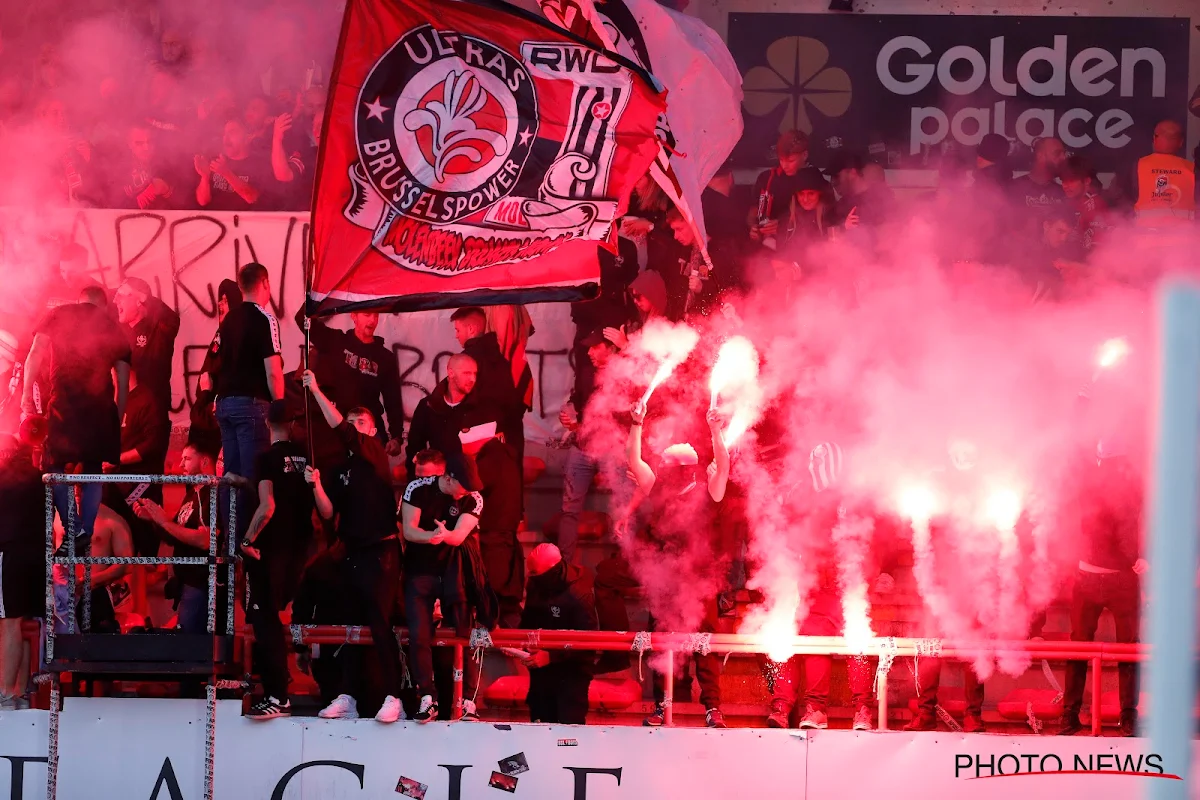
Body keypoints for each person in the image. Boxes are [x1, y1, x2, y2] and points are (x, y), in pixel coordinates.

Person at [302, 370, 405, 723]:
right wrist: (316, 485)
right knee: (349, 624)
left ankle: (394, 695)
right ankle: (346, 695)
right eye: (351, 422)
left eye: (360, 422)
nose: (354, 426)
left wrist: (315, 387)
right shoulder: (338, 466)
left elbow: (340, 429)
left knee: (379, 622)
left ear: (373, 429)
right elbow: (329, 511)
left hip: (381, 551)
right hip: (352, 551)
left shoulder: (374, 452)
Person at [628, 404, 730, 728]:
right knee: (663, 644)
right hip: (666, 580)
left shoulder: (706, 490)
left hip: (700, 581)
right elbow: (634, 460)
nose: (662, 467)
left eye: (667, 464)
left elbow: (724, 465)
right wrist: (636, 423)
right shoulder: (659, 489)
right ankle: (662, 706)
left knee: (704, 647)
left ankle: (713, 707)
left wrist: (715, 431)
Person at [22, 285, 131, 550]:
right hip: (100, 409)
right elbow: (123, 383)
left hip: (64, 406)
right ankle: (85, 530)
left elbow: (35, 352)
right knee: (92, 470)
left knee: (55, 467)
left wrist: (27, 391)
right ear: (103, 305)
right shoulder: (114, 327)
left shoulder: (60, 314)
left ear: (79, 299)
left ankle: (73, 528)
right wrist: (115, 420)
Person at [1058, 445, 1144, 737]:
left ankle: (1125, 715)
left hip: (1119, 576)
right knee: (1082, 647)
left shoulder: (1131, 479)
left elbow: (1141, 519)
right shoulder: (1088, 475)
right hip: (1090, 575)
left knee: (1128, 649)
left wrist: (1144, 555)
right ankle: (1070, 714)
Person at [240, 401, 316, 719]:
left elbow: (267, 506)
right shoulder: (308, 458)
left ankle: (277, 695)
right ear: (294, 424)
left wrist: (247, 539)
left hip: (271, 549)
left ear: (268, 425)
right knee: (279, 615)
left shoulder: (266, 459)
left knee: (264, 618)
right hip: (303, 548)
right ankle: (283, 683)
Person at [401, 449, 486, 723]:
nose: (464, 493)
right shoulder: (417, 488)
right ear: (447, 478)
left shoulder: (473, 497)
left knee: (464, 632)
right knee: (419, 634)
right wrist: (431, 536)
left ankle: (467, 700)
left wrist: (448, 535)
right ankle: (427, 695)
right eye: (461, 487)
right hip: (421, 570)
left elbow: (460, 535)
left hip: (455, 572)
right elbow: (408, 530)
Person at [213, 263, 284, 540]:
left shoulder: (228, 320)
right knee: (256, 478)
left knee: (230, 475)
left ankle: (228, 536)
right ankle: (249, 540)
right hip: (251, 405)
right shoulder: (264, 318)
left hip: (225, 403)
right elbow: (273, 369)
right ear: (265, 283)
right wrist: (278, 404)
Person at [133, 441, 221, 634]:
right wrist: (154, 519)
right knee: (185, 641)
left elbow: (204, 540)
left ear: (205, 461)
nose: (181, 465)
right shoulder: (192, 493)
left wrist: (164, 522)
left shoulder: (212, 493)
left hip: (200, 582)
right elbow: (175, 534)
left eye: (187, 459)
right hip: (186, 581)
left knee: (188, 645)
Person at [298, 306, 404, 463]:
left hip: (368, 430)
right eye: (367, 314)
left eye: (376, 316)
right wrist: (322, 293)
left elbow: (393, 399)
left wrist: (396, 437)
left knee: (370, 477)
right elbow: (302, 318)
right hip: (337, 426)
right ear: (354, 316)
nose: (372, 320)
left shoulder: (385, 357)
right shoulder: (336, 341)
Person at [558, 328, 622, 564]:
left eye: (596, 347)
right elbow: (577, 400)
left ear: (611, 348)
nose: (590, 352)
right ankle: (564, 565)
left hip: (612, 449)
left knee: (622, 503)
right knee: (569, 507)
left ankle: (625, 560)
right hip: (583, 446)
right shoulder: (586, 373)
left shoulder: (625, 373)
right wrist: (568, 412)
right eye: (589, 347)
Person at [520, 543, 598, 725]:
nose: (531, 577)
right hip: (541, 671)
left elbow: (589, 641)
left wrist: (552, 656)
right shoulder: (535, 584)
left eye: (536, 574)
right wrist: (519, 644)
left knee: (568, 728)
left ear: (552, 571)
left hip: (571, 673)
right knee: (539, 723)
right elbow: (528, 620)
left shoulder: (579, 594)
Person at [0, 435, 45, 707]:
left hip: (10, 553)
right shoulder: (40, 477)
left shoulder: (3, 477)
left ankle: (5, 691)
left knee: (9, 622)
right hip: (37, 556)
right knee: (26, 622)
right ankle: (22, 690)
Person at [107, 366, 170, 557]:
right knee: (116, 542)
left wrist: (116, 460)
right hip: (114, 484)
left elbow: (152, 445)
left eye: (112, 374)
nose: (111, 380)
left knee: (141, 542)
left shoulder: (147, 400)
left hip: (139, 486)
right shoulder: (117, 401)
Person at [52, 502, 134, 635]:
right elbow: (51, 550)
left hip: (94, 593)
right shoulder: (57, 515)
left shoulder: (112, 519)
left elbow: (126, 564)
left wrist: (93, 580)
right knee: (62, 646)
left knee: (96, 647)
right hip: (61, 593)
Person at [405, 354, 487, 482]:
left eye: (475, 373)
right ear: (451, 373)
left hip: (468, 484)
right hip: (437, 482)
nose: (472, 379)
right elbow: (414, 448)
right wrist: (418, 485)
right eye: (466, 373)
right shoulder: (428, 406)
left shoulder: (480, 408)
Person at [472, 432, 524, 628]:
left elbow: (472, 484)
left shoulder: (489, 461)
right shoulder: (509, 459)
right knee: (507, 594)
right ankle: (510, 641)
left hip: (493, 537)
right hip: (507, 535)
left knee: (492, 592)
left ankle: (488, 638)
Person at [451, 307, 521, 449]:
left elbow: (457, 401)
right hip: (503, 439)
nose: (456, 336)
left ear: (471, 329)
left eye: (458, 330)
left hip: (473, 442)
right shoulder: (501, 360)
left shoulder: (466, 361)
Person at [112, 277, 180, 413]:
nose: (115, 301)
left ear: (139, 300)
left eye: (121, 295)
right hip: (125, 411)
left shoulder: (158, 328)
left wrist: (146, 298)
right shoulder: (117, 331)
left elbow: (173, 319)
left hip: (152, 410)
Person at [195, 118, 276, 211]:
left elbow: (253, 198)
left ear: (247, 138)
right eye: (224, 133)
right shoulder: (216, 161)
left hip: (245, 223)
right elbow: (202, 201)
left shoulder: (259, 164)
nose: (226, 137)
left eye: (232, 132)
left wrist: (227, 173)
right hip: (216, 223)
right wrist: (204, 177)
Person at [749, 130, 810, 249]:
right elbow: (752, 214)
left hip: (801, 249)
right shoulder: (767, 179)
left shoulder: (814, 180)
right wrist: (754, 229)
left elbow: (820, 221)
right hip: (768, 249)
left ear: (804, 155)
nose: (785, 165)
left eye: (791, 161)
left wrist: (783, 226)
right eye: (781, 160)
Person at [1131, 119, 1194, 228]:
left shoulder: (1137, 166)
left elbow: (1120, 201)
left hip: (1146, 239)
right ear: (1181, 142)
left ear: (1154, 139)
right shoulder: (1192, 169)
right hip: (1183, 239)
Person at [107, 125, 176, 210]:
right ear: (129, 144)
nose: (146, 148)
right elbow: (111, 208)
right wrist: (138, 199)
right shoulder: (119, 170)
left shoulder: (168, 165)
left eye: (150, 141)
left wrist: (165, 189)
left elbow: (188, 206)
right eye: (139, 143)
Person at [829, 152, 894, 233]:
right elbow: (831, 233)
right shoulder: (842, 204)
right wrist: (844, 227)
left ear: (853, 172)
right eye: (831, 177)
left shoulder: (881, 198)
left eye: (836, 176)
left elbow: (891, 232)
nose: (833, 182)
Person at [1010, 136, 1066, 228]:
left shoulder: (1063, 192)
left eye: (1064, 153)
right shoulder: (1014, 188)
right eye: (1057, 154)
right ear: (1040, 156)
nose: (1063, 158)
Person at [1060, 155, 1109, 253]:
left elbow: (1097, 250)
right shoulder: (1073, 202)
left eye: (1071, 181)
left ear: (1087, 181)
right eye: (1063, 181)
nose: (1065, 186)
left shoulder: (1095, 205)